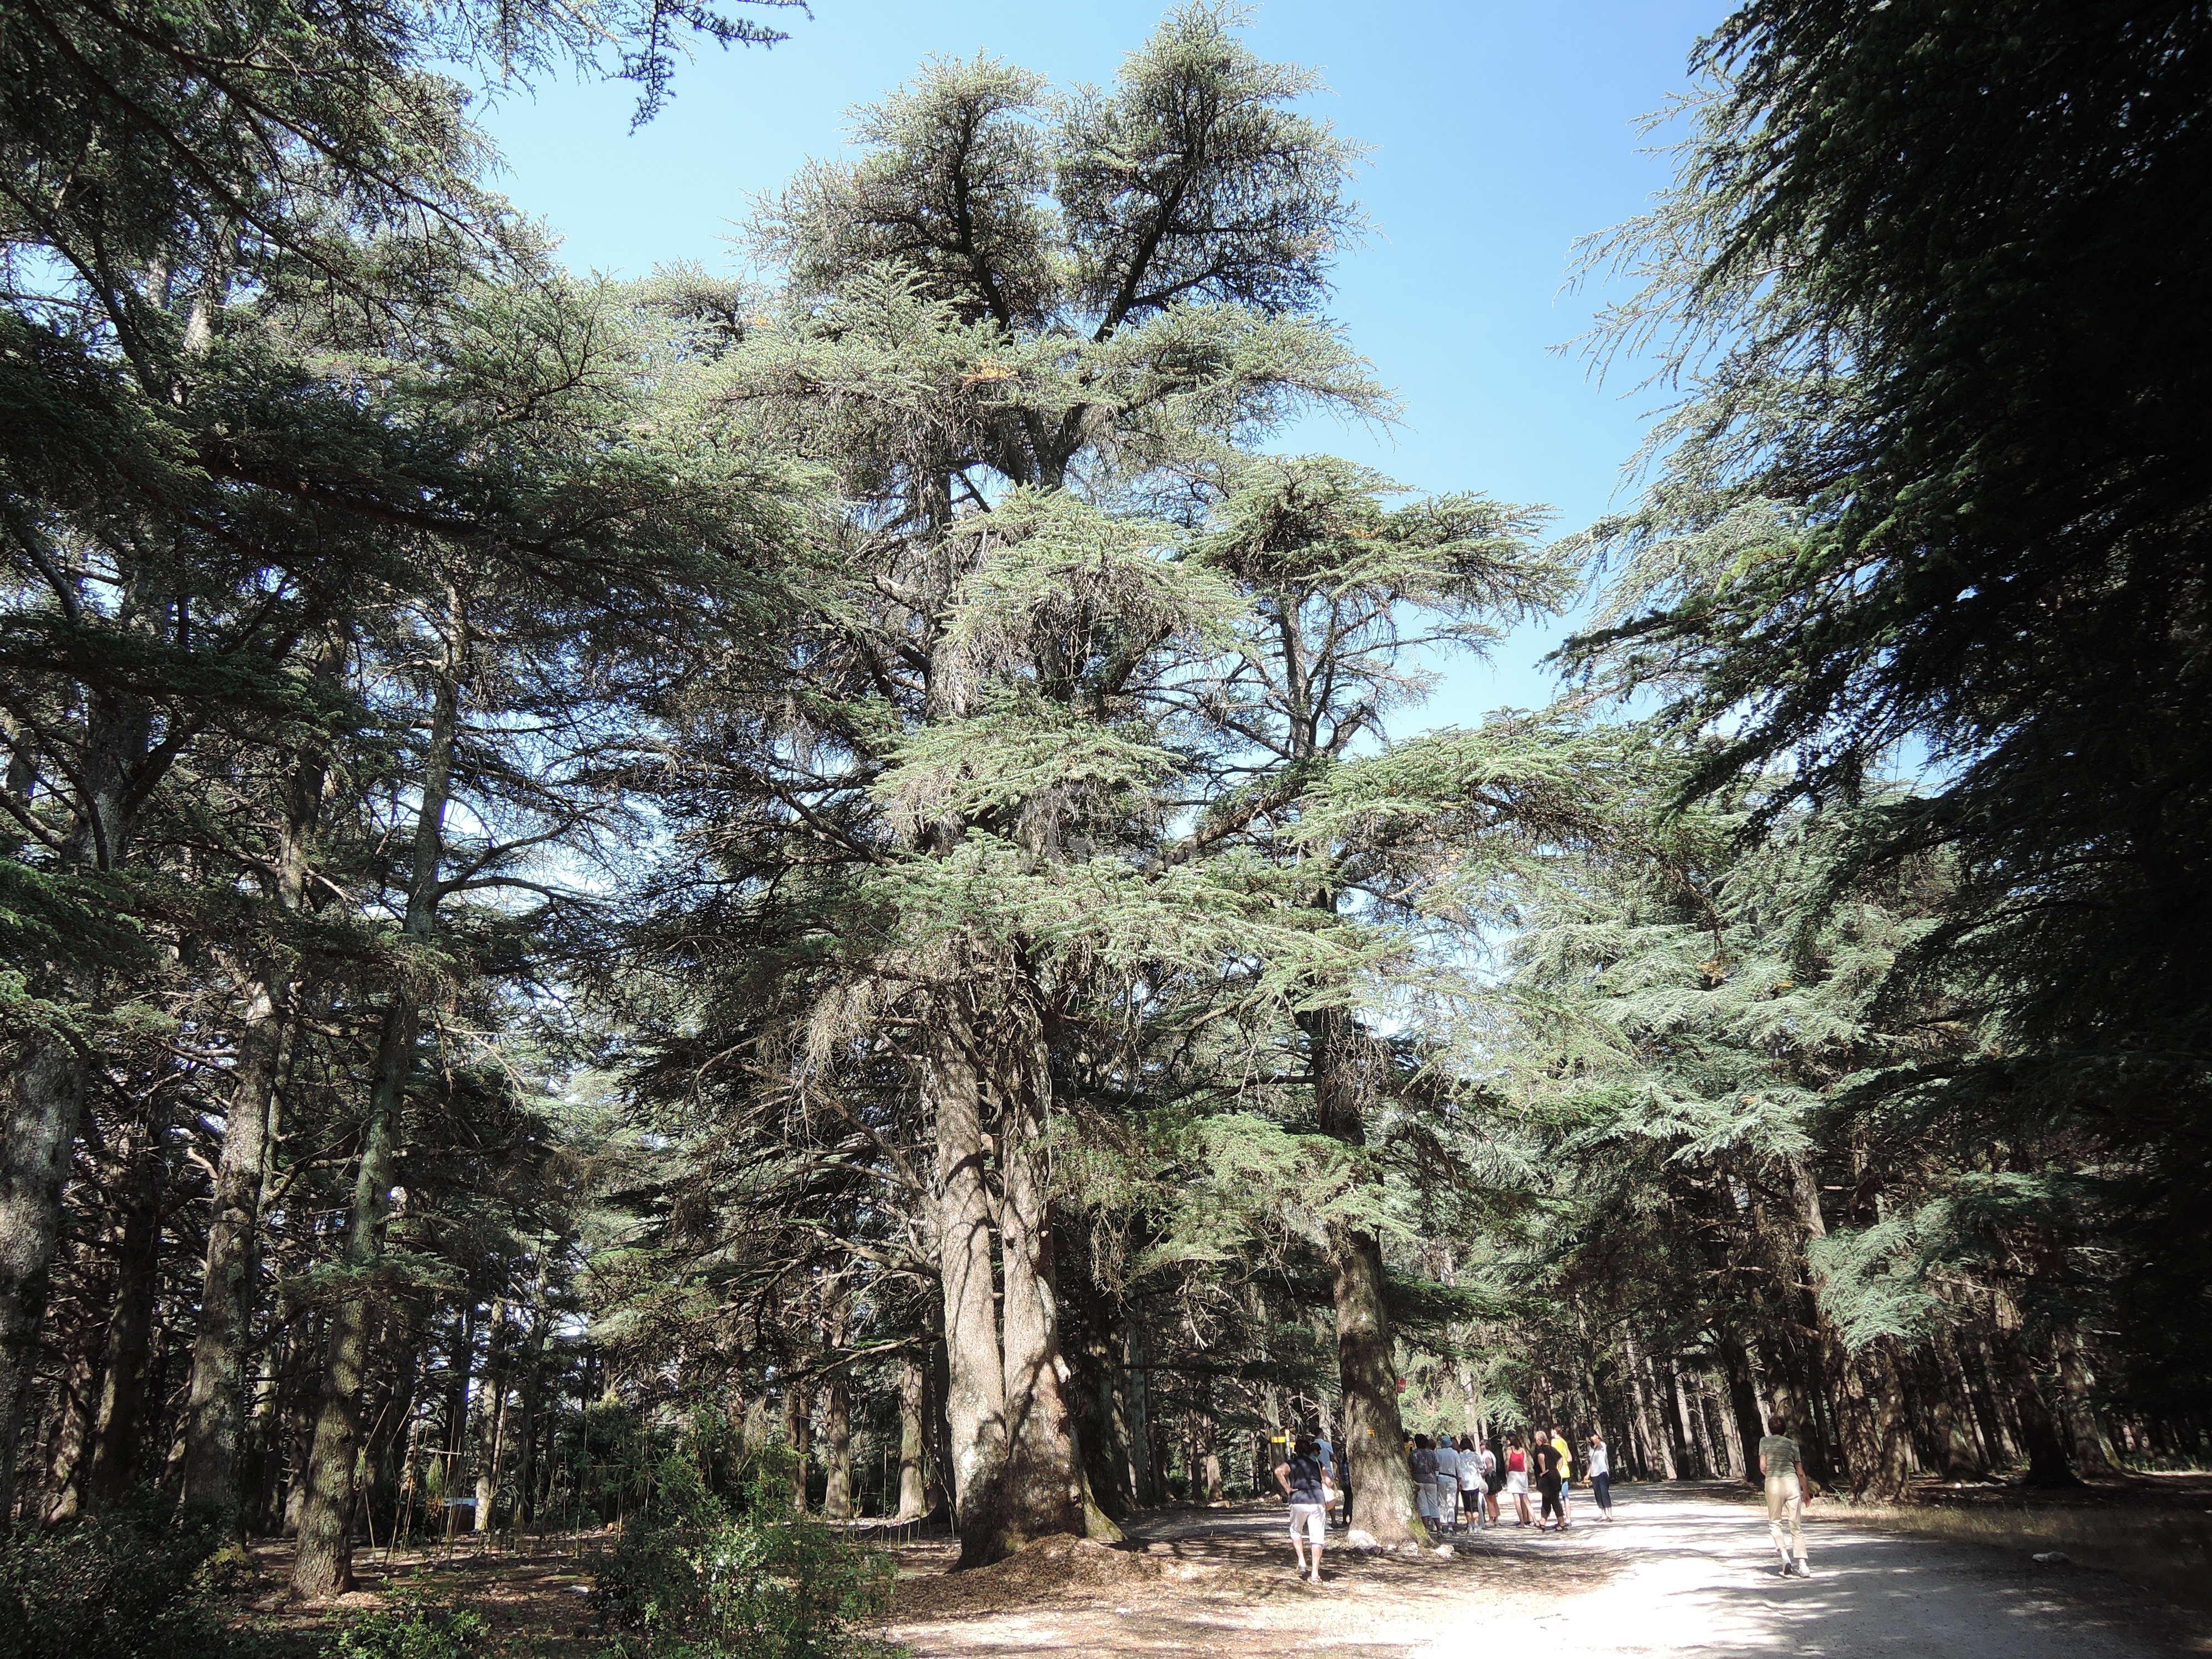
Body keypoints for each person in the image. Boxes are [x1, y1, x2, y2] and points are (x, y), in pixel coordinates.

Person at [1274, 1433, 1331, 1583]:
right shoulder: (1318, 1463)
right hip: (1317, 1501)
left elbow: (1278, 1471)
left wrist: (1287, 1488)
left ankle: (1301, 1561)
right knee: (1317, 1538)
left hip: (1298, 1500)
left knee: (1296, 1531)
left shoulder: (1291, 1463)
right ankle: (1315, 1574)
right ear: (1310, 1450)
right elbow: (1329, 1482)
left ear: (1296, 1451)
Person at [1759, 1421, 1812, 1578]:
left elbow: (1763, 1466)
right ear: (1784, 1429)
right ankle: (1803, 1565)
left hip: (1773, 1483)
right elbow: (1800, 1472)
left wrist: (1769, 1475)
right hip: (1792, 1483)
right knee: (1796, 1524)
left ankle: (1784, 1557)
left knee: (1775, 1522)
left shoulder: (1764, 1442)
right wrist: (1806, 1492)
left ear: (1770, 1429)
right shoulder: (1792, 1444)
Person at [1532, 1430, 1564, 1530]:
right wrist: (1558, 1468)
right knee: (1546, 1498)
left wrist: (1544, 1470)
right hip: (1555, 1475)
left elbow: (1541, 1457)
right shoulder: (1552, 1449)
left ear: (1539, 1440)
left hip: (1547, 1477)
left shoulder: (1541, 1449)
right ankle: (1543, 1521)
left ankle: (1562, 1523)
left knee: (1554, 1500)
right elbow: (1561, 1458)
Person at [1455, 1434, 1486, 1530]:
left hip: (1464, 1483)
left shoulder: (1459, 1456)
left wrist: (1460, 1480)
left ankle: (1470, 1525)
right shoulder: (1475, 1455)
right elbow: (1482, 1467)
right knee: (1475, 1505)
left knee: (1467, 1505)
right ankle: (1476, 1525)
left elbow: (1458, 1469)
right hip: (1474, 1483)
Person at [1431, 1433, 1460, 1530]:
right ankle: (1451, 1525)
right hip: (1452, 1479)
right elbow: (1458, 1467)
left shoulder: (1438, 1453)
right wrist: (1460, 1479)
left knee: (1442, 1502)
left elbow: (1436, 1466)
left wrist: (1436, 1477)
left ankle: (1443, 1524)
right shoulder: (1455, 1453)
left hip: (1441, 1478)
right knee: (1451, 1502)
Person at [1411, 1434, 1441, 1527]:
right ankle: (1439, 1528)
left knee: (1423, 1504)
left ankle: (1426, 1526)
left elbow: (1411, 1467)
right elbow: (1437, 1467)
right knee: (1433, 1503)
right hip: (1431, 1480)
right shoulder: (1431, 1453)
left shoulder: (1414, 1454)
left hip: (1418, 1480)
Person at [1504, 1433, 1532, 1526]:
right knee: (1524, 1498)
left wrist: (1508, 1472)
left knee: (1517, 1499)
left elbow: (1508, 1463)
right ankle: (1526, 1518)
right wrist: (1525, 1473)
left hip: (1513, 1474)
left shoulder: (1509, 1450)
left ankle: (1522, 1521)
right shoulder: (1522, 1450)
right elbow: (1525, 1463)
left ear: (1510, 1440)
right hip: (1522, 1474)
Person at [1585, 1430, 1614, 1521]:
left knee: (1604, 1492)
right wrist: (1588, 1474)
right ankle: (1603, 1514)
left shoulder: (1602, 1445)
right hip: (1594, 1474)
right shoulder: (1591, 1449)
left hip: (1602, 1472)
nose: (1592, 1438)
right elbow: (1592, 1463)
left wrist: (1596, 1439)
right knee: (1598, 1494)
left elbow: (1599, 1444)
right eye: (1590, 1437)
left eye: (1593, 1436)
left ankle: (1610, 1514)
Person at [1552, 1425, 1574, 1527]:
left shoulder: (1554, 1442)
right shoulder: (1564, 1442)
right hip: (1566, 1471)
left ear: (1555, 1431)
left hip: (1558, 1471)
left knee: (1556, 1498)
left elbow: (1553, 1456)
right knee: (1566, 1496)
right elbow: (1570, 1458)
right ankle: (1569, 1519)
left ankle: (1561, 1521)